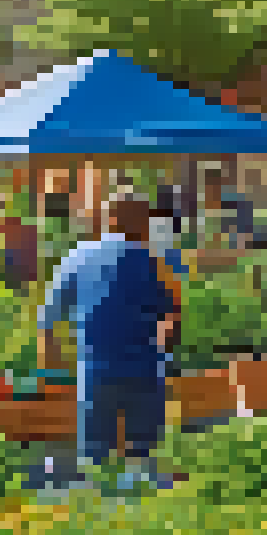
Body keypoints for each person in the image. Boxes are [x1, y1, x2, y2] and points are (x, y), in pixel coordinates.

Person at [40, 191, 180, 480]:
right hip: (143, 371)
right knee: (142, 461)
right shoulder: (155, 261)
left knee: (96, 462)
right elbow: (172, 315)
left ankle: (99, 499)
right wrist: (163, 350)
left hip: (94, 372)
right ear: (142, 222)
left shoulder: (77, 257)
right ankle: (139, 496)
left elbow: (49, 318)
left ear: (108, 220)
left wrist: (51, 368)